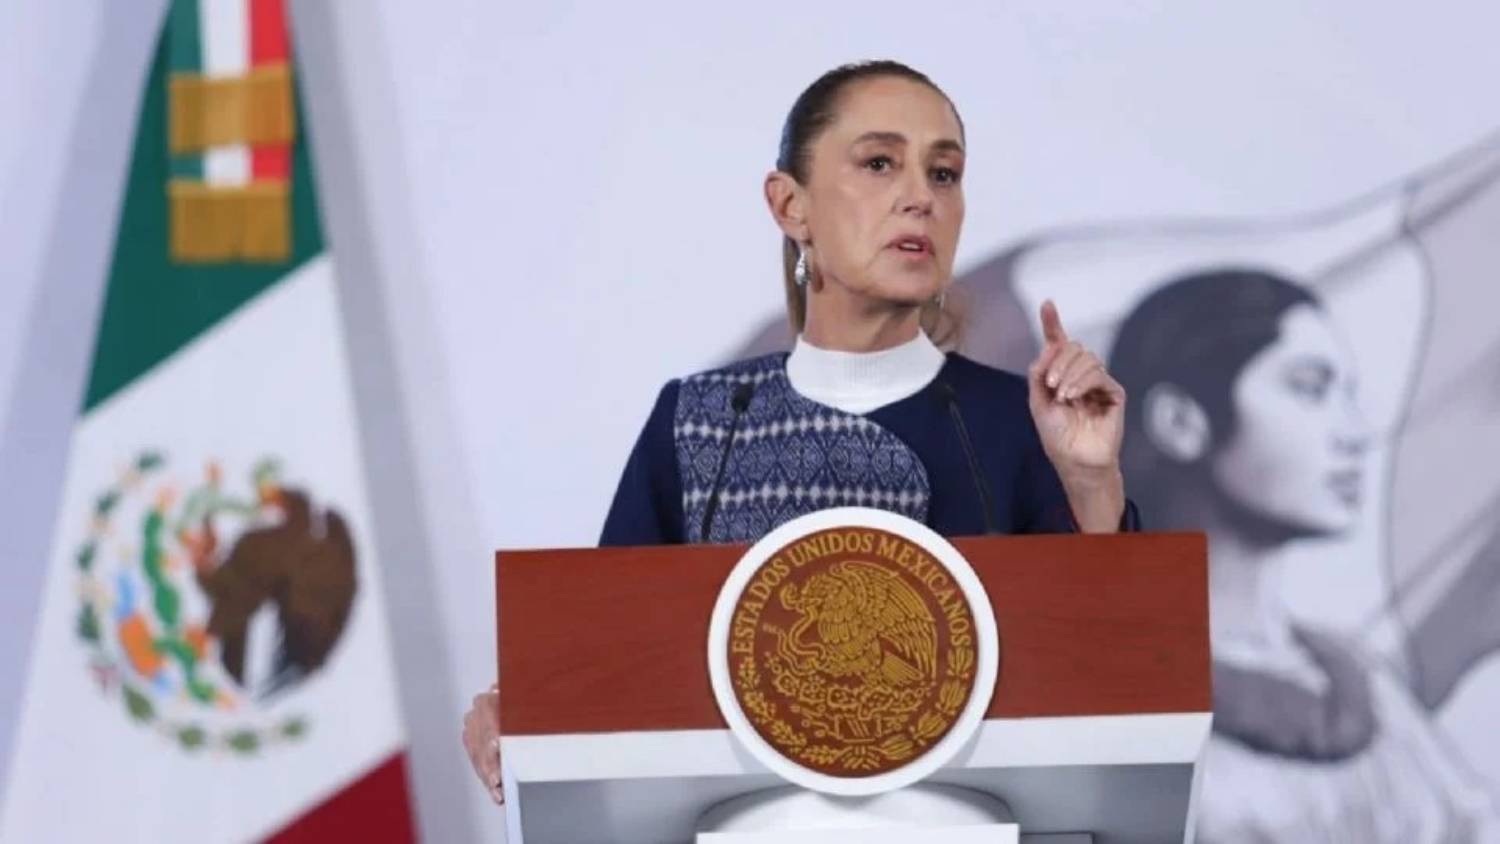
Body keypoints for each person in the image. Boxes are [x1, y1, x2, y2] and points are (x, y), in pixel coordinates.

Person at [463, 60, 1138, 805]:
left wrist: (1091, 482)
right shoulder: (700, 425)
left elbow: (1118, 675)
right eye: (879, 163)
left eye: (944, 174)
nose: (920, 196)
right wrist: (517, 706)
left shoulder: (1019, 422)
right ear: (790, 205)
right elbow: (608, 661)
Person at [1109, 268, 1500, 842]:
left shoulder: (1366, 686)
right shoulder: (1100, 692)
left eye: (1348, 396)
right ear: (1181, 422)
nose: (1355, 433)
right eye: (1311, 388)